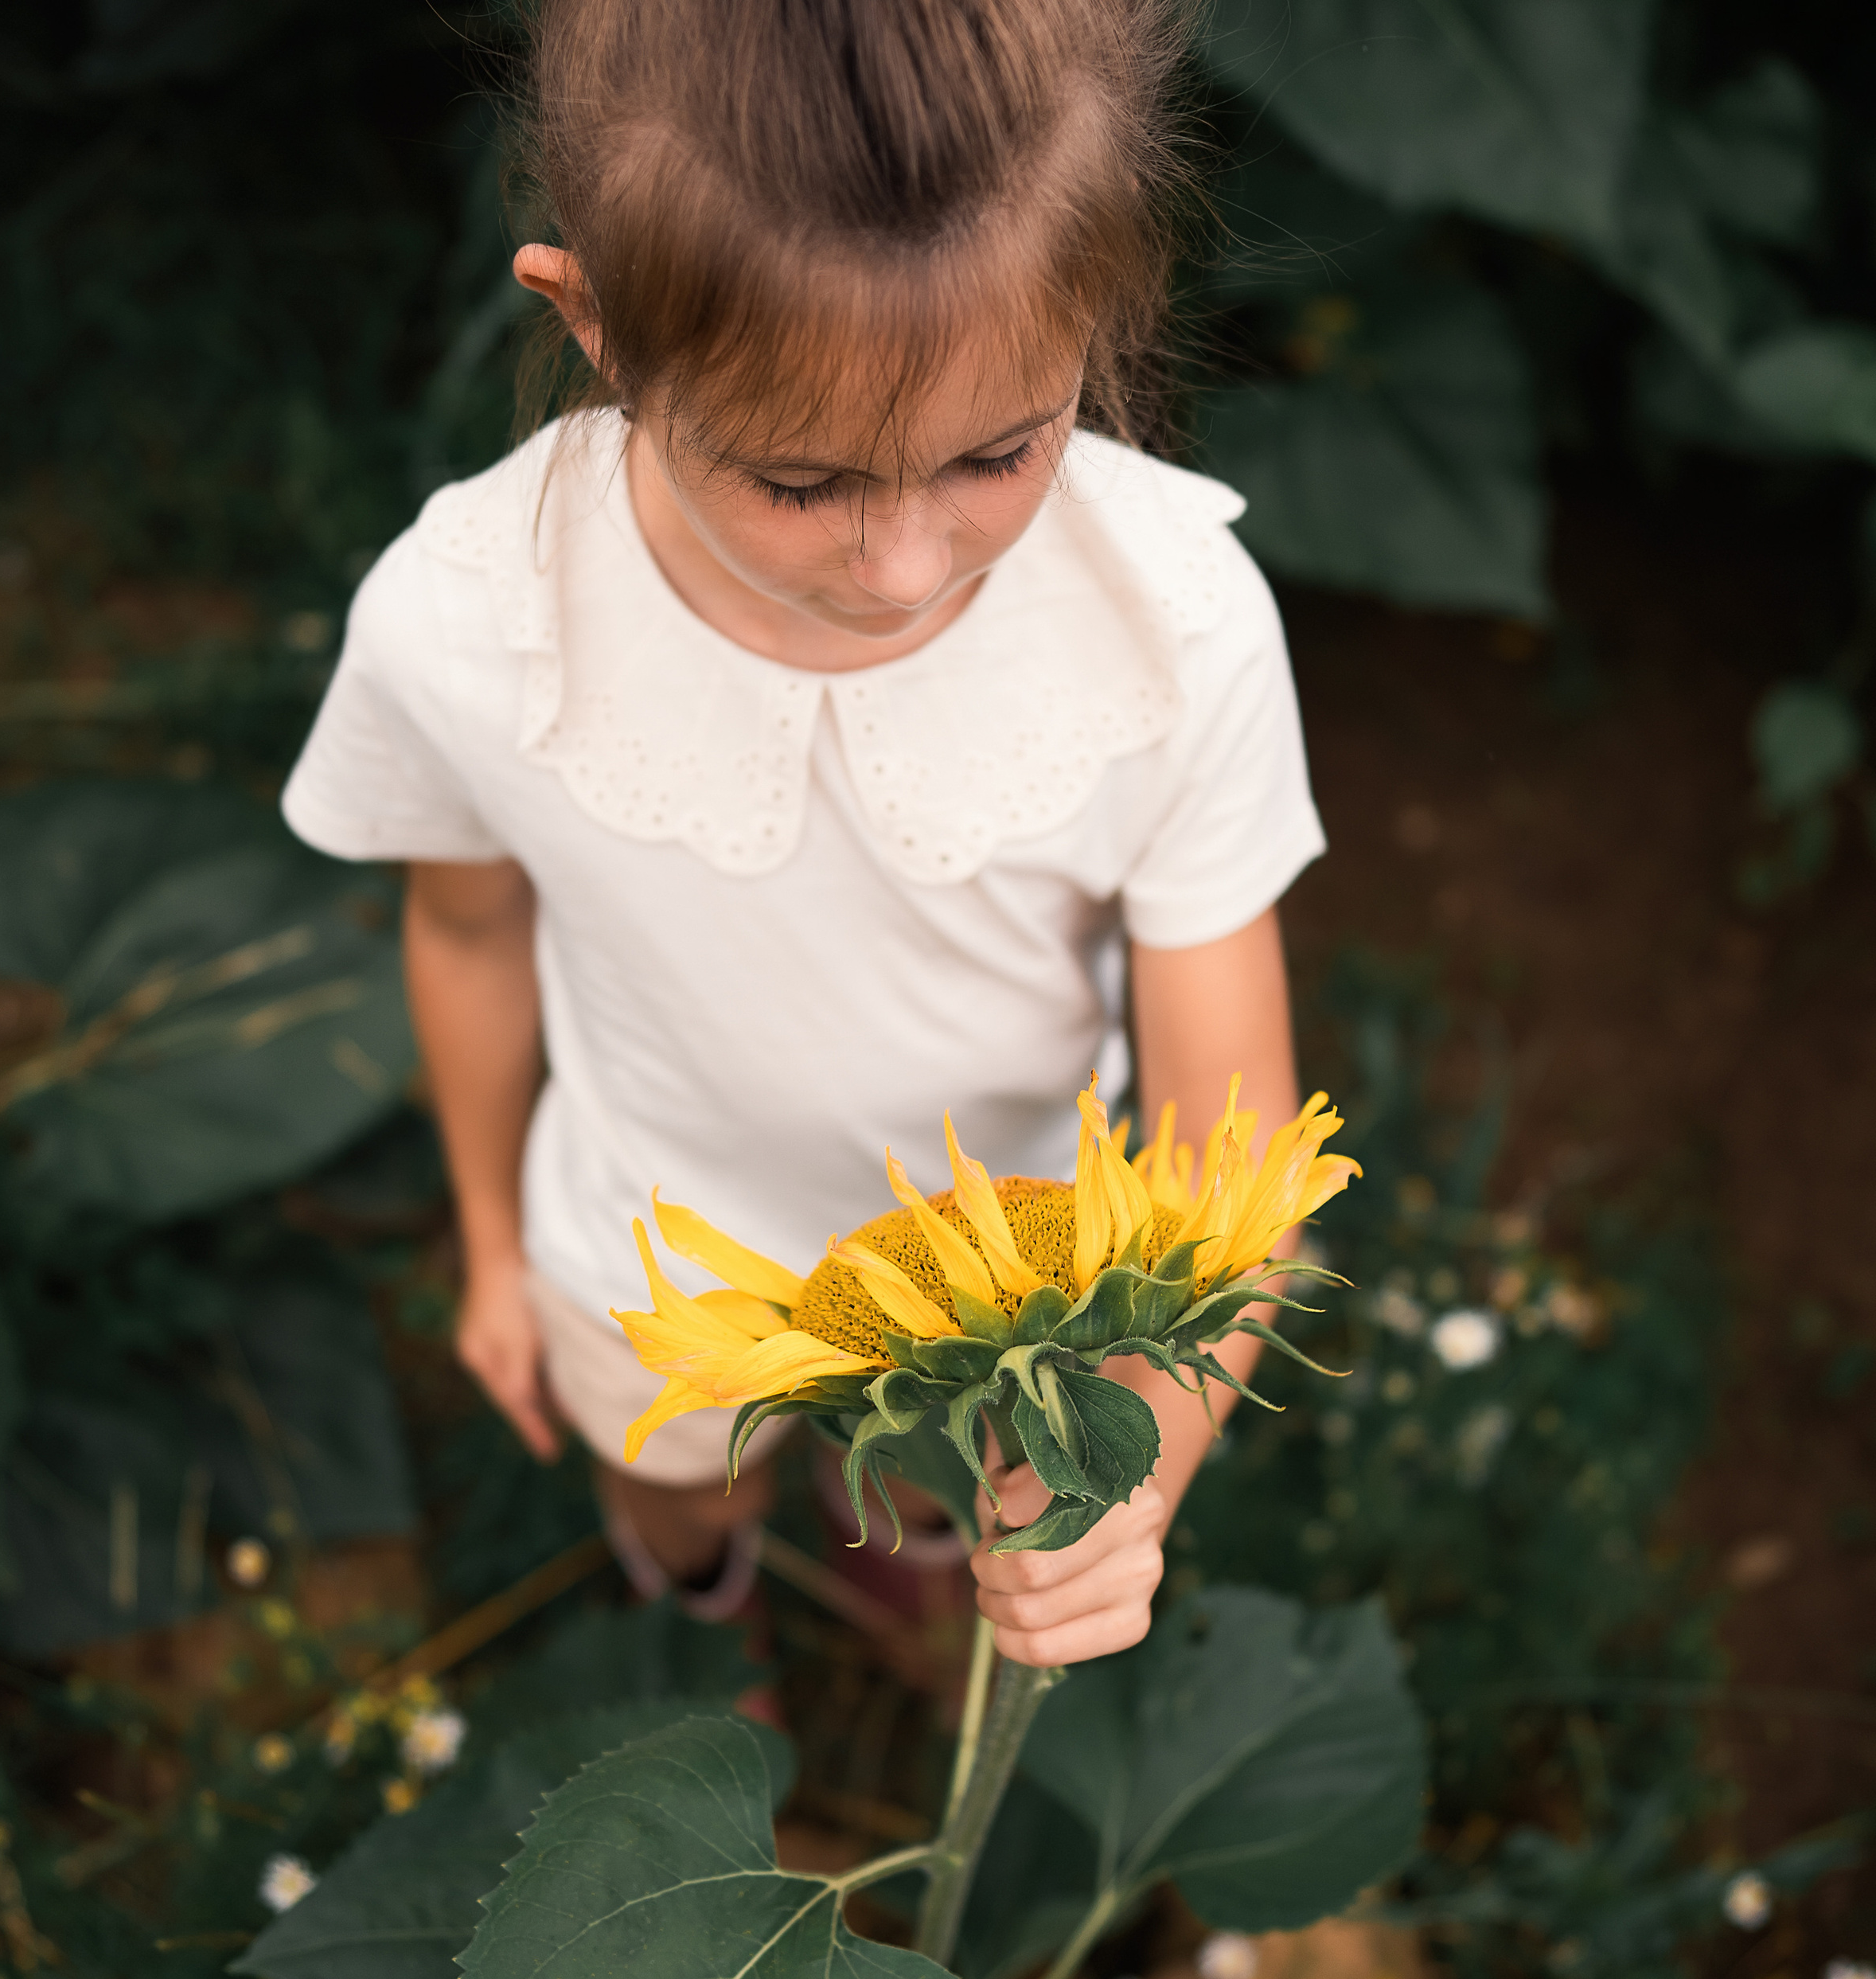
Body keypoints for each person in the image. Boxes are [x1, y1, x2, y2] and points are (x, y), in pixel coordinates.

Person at [280, 0, 1325, 1670]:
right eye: (800, 480)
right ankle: (703, 1610)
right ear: (599, 323)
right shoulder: (472, 625)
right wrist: (488, 1241)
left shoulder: (1176, 624)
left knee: (948, 1503)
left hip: (1024, 1283)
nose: (905, 568)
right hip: (649, 1252)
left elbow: (1230, 1130)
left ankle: (921, 1570)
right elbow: (468, 932)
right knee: (679, 1482)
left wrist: (1125, 1480)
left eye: (997, 451)